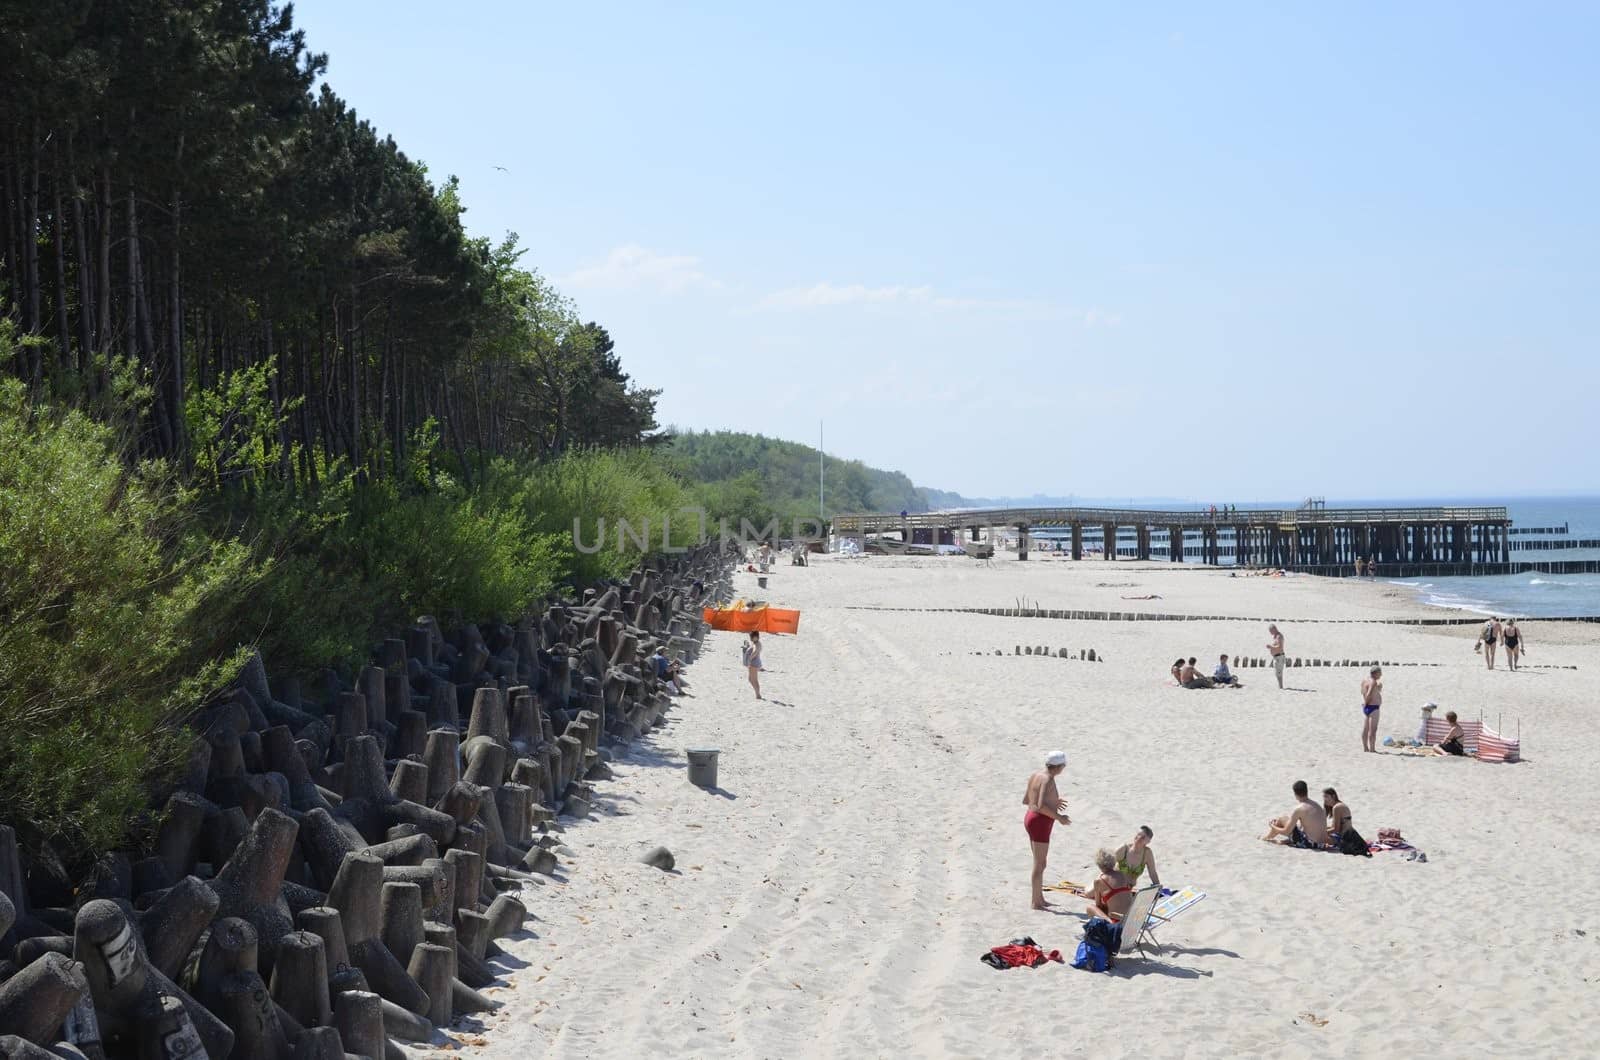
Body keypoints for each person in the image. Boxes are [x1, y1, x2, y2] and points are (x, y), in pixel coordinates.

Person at [1022, 751, 1072, 910]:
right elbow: (1040, 805)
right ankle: (1035, 902)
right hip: (1040, 823)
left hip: (1030, 818)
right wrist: (1059, 817)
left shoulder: (1036, 775)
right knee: (1040, 863)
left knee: (1039, 862)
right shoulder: (1048, 779)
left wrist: (1053, 802)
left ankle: (1039, 898)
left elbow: (1027, 799)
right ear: (1059, 767)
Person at [1262, 781, 1330, 848]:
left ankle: (1266, 838)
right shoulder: (1316, 805)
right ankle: (1282, 840)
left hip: (1310, 844)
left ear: (1295, 794)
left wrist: (1272, 826)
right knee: (1293, 823)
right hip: (1322, 844)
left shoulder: (1299, 809)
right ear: (1306, 791)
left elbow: (1286, 831)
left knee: (1282, 819)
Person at [1085, 849, 1135, 923]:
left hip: (1117, 921)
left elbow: (1098, 905)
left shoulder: (1099, 881)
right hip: (1132, 919)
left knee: (1090, 907)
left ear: (1099, 865)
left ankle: (1109, 922)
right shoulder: (1123, 875)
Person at [1361, 666, 1383, 753]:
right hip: (1373, 707)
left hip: (1367, 707)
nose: (1381, 675)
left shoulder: (1364, 681)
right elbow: (1369, 694)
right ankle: (1372, 749)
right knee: (1373, 730)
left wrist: (1378, 689)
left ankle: (1365, 748)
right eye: (1380, 673)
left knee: (1365, 729)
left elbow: (1363, 692)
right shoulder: (1373, 682)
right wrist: (1367, 703)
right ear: (1376, 673)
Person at [741, 631, 763, 699]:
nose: (750, 639)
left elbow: (755, 651)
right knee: (751, 679)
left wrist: (750, 659)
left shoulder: (757, 644)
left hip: (754, 663)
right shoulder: (755, 643)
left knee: (753, 679)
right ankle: (757, 694)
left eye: (751, 637)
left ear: (756, 637)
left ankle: (758, 694)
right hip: (754, 663)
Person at [1266, 624, 1286, 689]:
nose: (1270, 633)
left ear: (1274, 629)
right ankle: (1280, 686)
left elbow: (1280, 647)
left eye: (1270, 631)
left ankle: (1281, 687)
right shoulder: (1275, 636)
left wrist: (1271, 647)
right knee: (1277, 673)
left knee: (1278, 673)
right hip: (1276, 657)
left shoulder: (1279, 636)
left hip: (1279, 656)